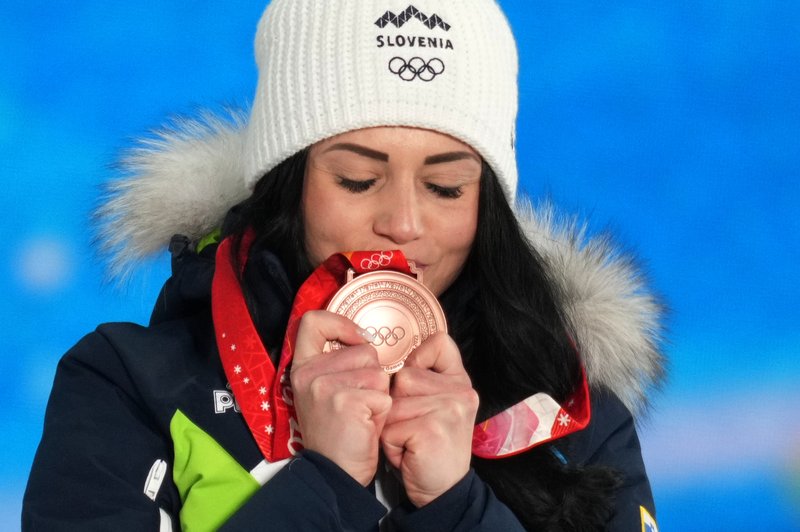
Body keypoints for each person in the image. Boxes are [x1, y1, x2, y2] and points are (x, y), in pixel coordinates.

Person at [23, 1, 665, 530]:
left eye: (446, 189)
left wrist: (457, 506)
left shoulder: (569, 410)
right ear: (289, 183)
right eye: (358, 179)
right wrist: (324, 486)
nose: (404, 223)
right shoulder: (127, 384)